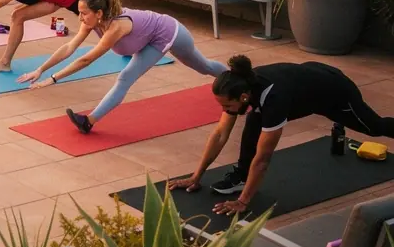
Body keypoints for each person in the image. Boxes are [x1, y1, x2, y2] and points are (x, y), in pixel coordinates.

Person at [168, 55, 394, 216]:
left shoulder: (273, 99)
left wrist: (243, 202)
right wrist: (195, 177)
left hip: (332, 91)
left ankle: (244, 188)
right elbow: (219, 135)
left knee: (374, 127)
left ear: (244, 97)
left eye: (227, 104)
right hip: (302, 87)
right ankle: (241, 176)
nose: (225, 109)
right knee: (253, 120)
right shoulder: (245, 85)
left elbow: (264, 159)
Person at [17, 0, 226, 133]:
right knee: (126, 77)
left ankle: (236, 77)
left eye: (84, 13)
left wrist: (52, 79)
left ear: (99, 13)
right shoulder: (92, 21)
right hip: (146, 38)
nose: (80, 18)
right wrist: (40, 69)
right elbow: (69, 47)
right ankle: (88, 122)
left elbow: (86, 60)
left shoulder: (117, 26)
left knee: (203, 67)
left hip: (168, 33)